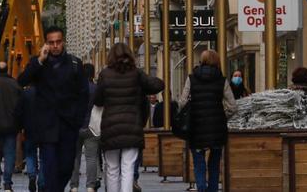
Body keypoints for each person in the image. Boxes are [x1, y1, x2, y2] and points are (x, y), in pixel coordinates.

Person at [17, 26, 88, 192]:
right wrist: (39, 61)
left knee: (66, 166)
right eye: (51, 42)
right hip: (47, 126)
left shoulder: (74, 63)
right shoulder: (39, 63)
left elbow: (83, 94)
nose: (55, 46)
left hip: (68, 125)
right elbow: (21, 81)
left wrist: (78, 120)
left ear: (63, 42)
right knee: (49, 167)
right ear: (46, 44)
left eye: (58, 42)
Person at [93, 43, 164, 192]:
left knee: (112, 168)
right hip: (132, 126)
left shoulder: (105, 74)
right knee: (128, 168)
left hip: (110, 127)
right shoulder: (136, 74)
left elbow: (98, 100)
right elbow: (157, 86)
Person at [178, 49, 236, 192]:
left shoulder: (191, 78)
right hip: (217, 128)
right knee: (215, 164)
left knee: (199, 164)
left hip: (196, 127)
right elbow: (233, 106)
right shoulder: (222, 80)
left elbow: (182, 102)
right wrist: (223, 116)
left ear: (202, 61)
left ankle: (201, 189)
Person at [0, 62, 23, 191]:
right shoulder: (15, 84)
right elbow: (20, 106)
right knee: (10, 154)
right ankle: (8, 183)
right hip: (11, 125)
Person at [69, 63, 101, 192]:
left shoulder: (74, 89)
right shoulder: (96, 89)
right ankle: (90, 186)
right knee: (91, 157)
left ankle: (74, 186)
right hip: (92, 126)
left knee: (75, 157)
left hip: (76, 126)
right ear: (93, 74)